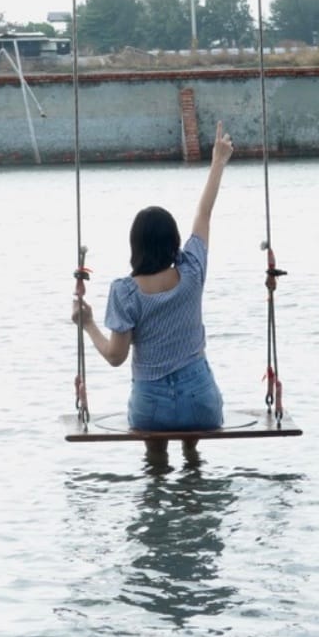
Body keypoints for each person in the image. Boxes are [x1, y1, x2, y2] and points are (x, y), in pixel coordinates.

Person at [73, 120, 234, 460]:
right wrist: (218, 161)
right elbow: (204, 212)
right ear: (175, 241)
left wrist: (87, 324)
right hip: (199, 405)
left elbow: (116, 357)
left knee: (155, 460)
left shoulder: (125, 292)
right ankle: (192, 460)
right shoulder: (192, 271)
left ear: (135, 246)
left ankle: (157, 470)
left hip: (151, 409)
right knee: (194, 447)